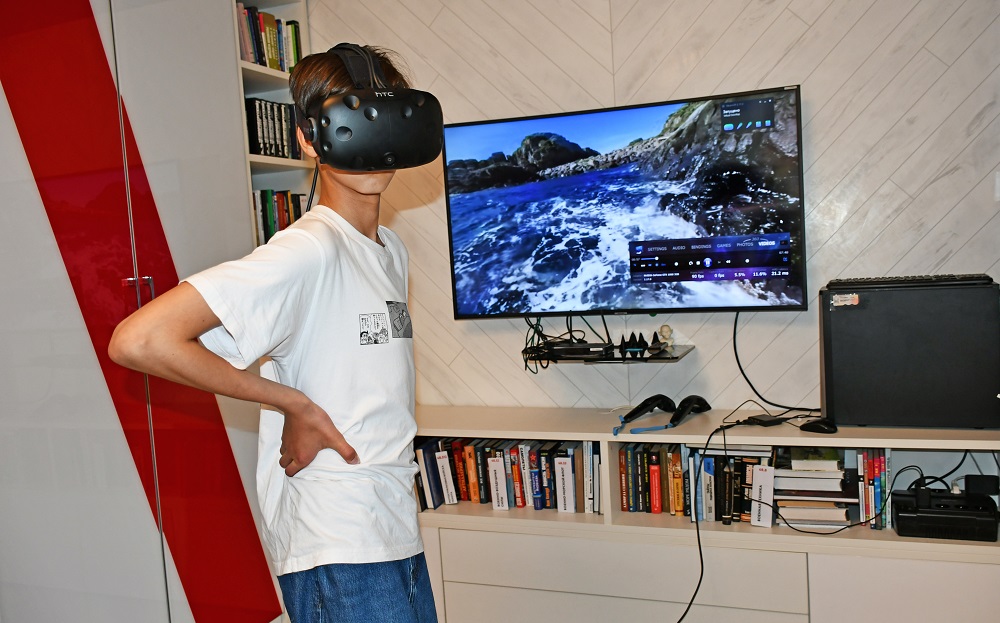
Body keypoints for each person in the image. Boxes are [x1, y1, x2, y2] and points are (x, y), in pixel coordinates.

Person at [108, 45, 437, 623]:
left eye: (386, 116)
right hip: (338, 541)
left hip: (393, 527)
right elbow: (140, 339)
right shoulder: (307, 250)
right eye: (355, 117)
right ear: (309, 139)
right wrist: (292, 403)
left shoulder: (390, 250)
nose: (375, 137)